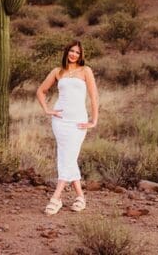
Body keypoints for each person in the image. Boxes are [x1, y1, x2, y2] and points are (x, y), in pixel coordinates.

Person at [36, 40, 99, 214]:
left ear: (81, 55)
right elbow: (41, 91)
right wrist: (48, 110)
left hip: (78, 121)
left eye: (77, 52)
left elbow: (94, 97)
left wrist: (94, 120)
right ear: (66, 52)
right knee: (67, 156)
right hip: (60, 120)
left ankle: (56, 197)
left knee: (69, 156)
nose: (74, 55)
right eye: (71, 51)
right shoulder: (58, 71)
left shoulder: (86, 71)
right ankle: (80, 196)